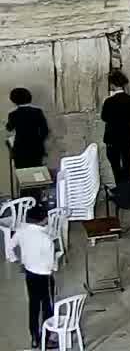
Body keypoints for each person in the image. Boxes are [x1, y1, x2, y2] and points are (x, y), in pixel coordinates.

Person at [8, 205, 57, 344]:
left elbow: (10, 247)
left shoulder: (21, 231)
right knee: (47, 306)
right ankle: (46, 338)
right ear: (44, 220)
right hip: (45, 276)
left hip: (29, 273)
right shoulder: (46, 238)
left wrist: (17, 260)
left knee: (34, 305)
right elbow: (51, 264)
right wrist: (54, 268)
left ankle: (34, 337)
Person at [100, 71, 130, 187]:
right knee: (127, 161)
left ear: (112, 84)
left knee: (115, 164)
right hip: (127, 136)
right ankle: (128, 188)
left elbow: (104, 117)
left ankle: (120, 188)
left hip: (113, 138)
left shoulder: (108, 101)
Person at [6, 87, 49, 171]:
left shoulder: (13, 114)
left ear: (13, 100)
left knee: (22, 172)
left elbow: (9, 128)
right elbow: (45, 130)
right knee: (36, 171)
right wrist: (39, 141)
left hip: (20, 148)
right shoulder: (37, 111)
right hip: (36, 148)